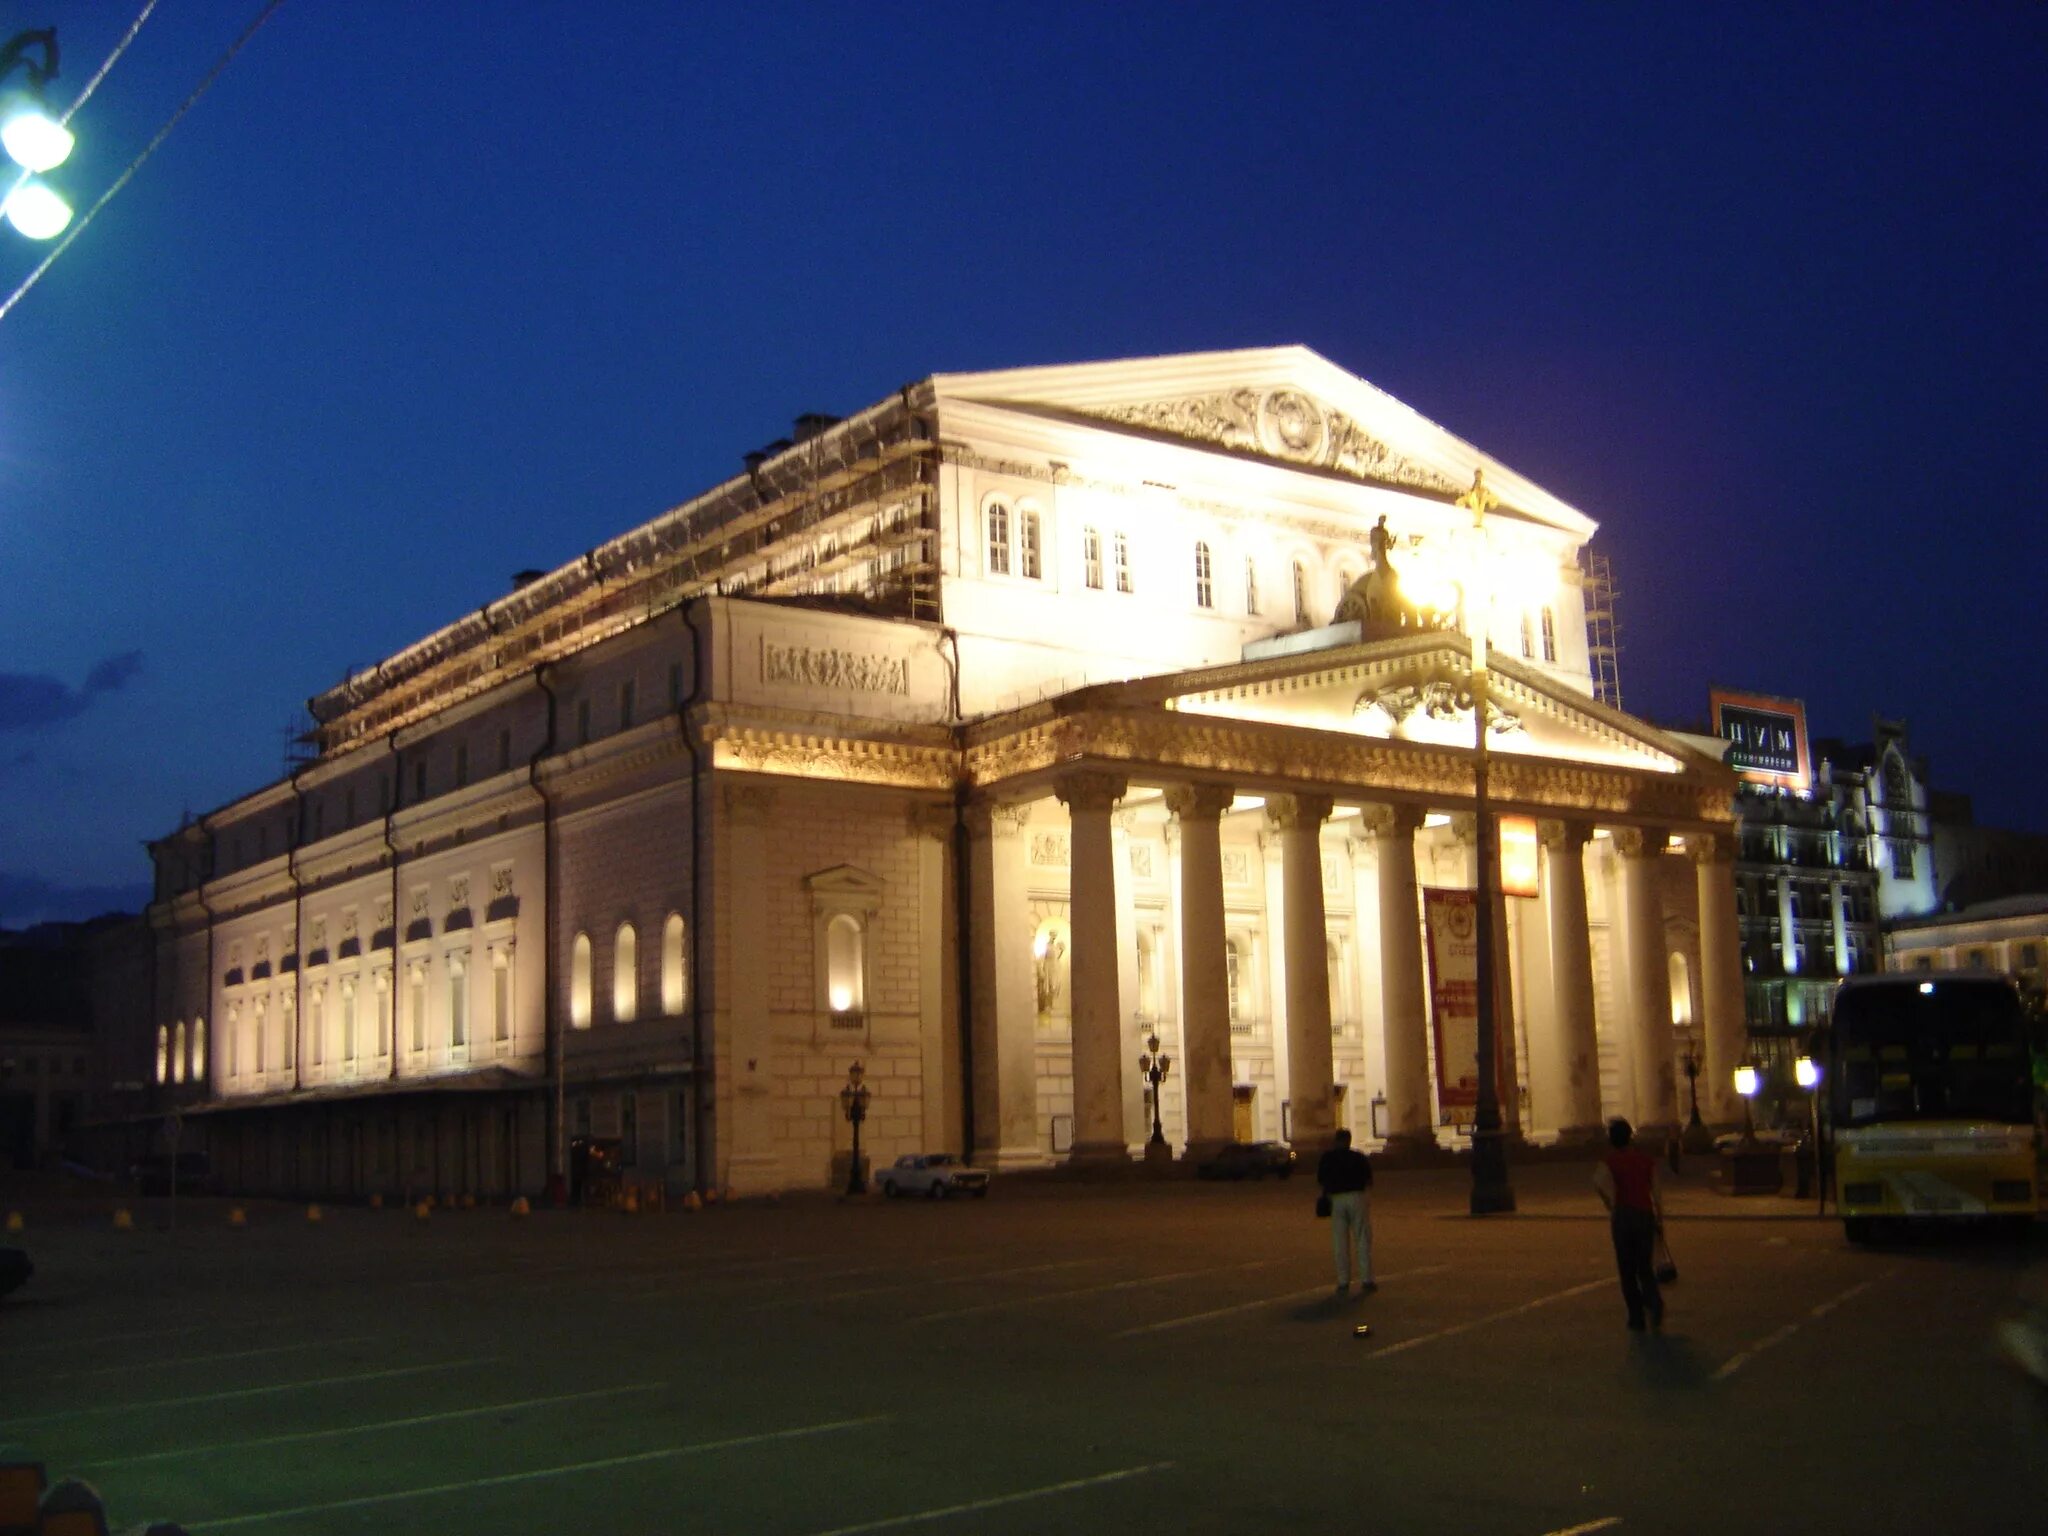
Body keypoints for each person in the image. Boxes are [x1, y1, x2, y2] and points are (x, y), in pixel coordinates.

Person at [1593, 1117, 1663, 1331]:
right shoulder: (1646, 1161)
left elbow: (1598, 1183)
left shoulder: (1609, 1162)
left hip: (1623, 1217)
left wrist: (1609, 1203)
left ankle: (1636, 1316)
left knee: (1627, 1270)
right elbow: (1657, 1193)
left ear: (1612, 1140)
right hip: (1644, 1215)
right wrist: (1658, 1217)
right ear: (1630, 1138)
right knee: (1645, 1266)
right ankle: (1654, 1301)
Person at [1316, 1128, 1375, 1296]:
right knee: (1362, 1239)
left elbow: (1320, 1180)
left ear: (1335, 1140)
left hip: (1336, 1200)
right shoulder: (1358, 1157)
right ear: (1349, 1141)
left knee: (1340, 1242)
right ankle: (1367, 1280)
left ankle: (1343, 1282)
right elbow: (1369, 1180)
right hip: (1357, 1197)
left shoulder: (1327, 1158)